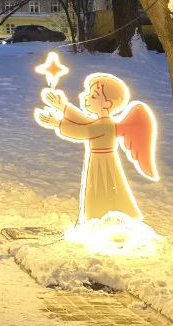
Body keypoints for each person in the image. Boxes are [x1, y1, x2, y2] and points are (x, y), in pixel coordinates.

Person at [34, 72, 158, 223]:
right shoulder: (102, 122)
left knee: (105, 187)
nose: (85, 97)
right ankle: (100, 217)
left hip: (103, 162)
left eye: (92, 96)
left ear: (107, 104)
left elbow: (84, 131)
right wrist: (63, 107)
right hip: (99, 160)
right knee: (103, 188)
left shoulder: (105, 125)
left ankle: (105, 217)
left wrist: (58, 123)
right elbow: (85, 121)